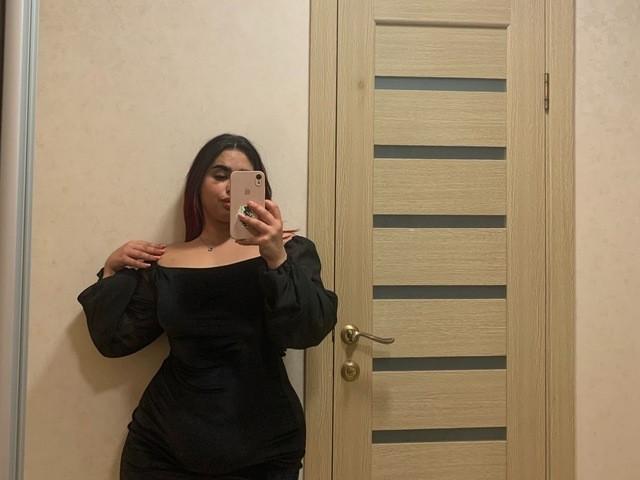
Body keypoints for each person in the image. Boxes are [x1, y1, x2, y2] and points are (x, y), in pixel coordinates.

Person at [77, 133, 338, 480]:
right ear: (197, 185)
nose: (230, 188)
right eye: (219, 175)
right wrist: (111, 271)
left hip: (263, 447)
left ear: (260, 188)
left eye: (243, 179)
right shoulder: (164, 260)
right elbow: (116, 341)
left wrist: (276, 256)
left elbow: (309, 329)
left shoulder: (290, 251)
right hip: (162, 447)